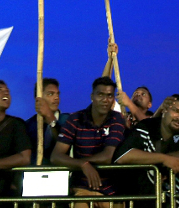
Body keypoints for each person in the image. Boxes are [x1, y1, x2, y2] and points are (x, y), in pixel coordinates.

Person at [113, 94, 179, 208]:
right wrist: (163, 159)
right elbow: (122, 156)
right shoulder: (148, 126)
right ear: (164, 110)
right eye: (176, 111)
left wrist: (168, 158)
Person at [51, 76, 126, 208]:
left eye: (109, 96)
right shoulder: (75, 119)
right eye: (100, 95)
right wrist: (82, 164)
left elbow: (107, 156)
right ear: (92, 96)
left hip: (111, 191)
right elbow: (56, 156)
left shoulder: (117, 119)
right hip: (82, 188)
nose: (105, 100)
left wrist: (85, 163)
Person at [26, 78, 69, 164]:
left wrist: (50, 117)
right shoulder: (28, 125)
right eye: (50, 94)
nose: (56, 98)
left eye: (58, 94)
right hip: (35, 173)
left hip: (60, 172)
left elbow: (62, 144)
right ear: (38, 98)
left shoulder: (67, 120)